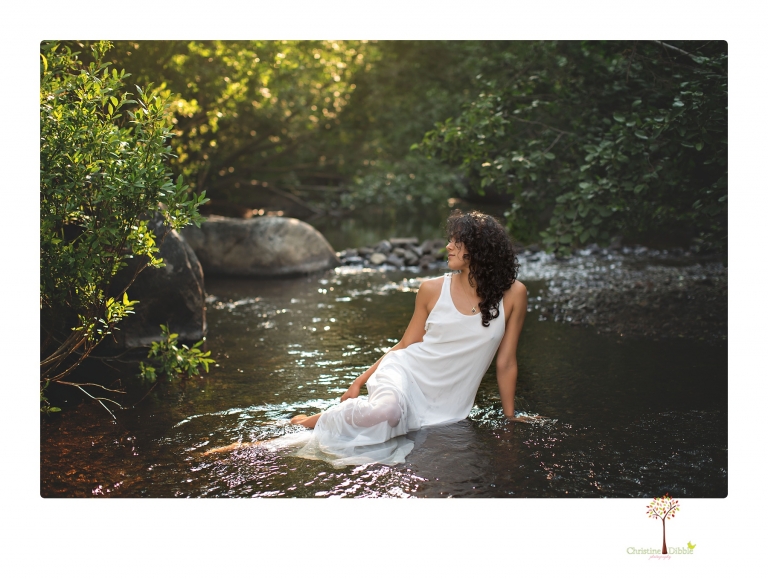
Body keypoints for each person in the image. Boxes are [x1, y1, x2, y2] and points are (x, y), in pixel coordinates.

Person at [284, 209, 533, 467]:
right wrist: (359, 382)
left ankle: (307, 422)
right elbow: (405, 345)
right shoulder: (432, 289)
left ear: (479, 248)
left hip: (447, 404)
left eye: (456, 241)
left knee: (391, 433)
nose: (447, 246)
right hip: (407, 374)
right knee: (386, 413)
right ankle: (304, 423)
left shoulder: (514, 294)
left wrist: (510, 416)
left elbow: (506, 362)